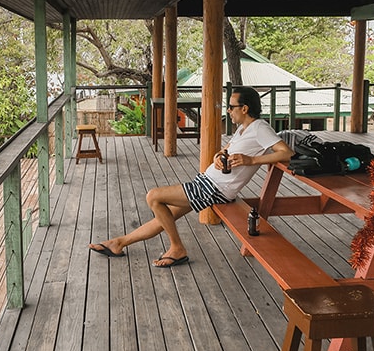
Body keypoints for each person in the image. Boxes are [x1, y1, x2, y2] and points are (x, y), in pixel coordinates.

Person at [89, 86, 294, 268]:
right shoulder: (243, 128)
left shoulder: (260, 128)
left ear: (245, 108)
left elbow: (286, 152)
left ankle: (177, 248)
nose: (228, 111)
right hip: (208, 182)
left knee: (154, 197)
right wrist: (217, 157)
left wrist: (251, 161)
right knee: (164, 215)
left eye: (231, 107)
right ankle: (119, 243)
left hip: (216, 188)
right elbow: (226, 149)